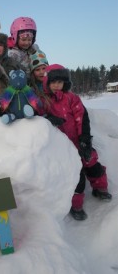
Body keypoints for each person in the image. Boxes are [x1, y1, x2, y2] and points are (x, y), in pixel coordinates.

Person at [42, 64, 112, 220]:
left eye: (60, 82)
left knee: (92, 164)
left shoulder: (71, 98)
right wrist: (48, 118)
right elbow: (37, 117)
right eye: (53, 82)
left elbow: (82, 118)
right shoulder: (44, 100)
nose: (57, 85)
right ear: (47, 82)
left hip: (79, 140)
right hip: (63, 147)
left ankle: (100, 188)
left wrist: (85, 139)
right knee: (76, 175)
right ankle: (76, 205)